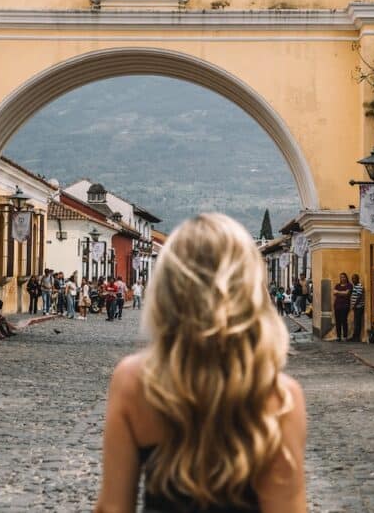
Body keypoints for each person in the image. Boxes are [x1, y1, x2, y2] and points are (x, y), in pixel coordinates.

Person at [95, 213, 307, 513]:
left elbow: (114, 507)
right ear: (248, 289)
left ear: (169, 288)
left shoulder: (134, 381)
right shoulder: (280, 397)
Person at [332, 272, 352, 342]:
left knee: (344, 320)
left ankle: (345, 336)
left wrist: (338, 292)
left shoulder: (349, 285)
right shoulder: (337, 285)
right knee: (338, 322)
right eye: (341, 277)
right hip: (337, 305)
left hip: (345, 305)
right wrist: (343, 292)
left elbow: (347, 293)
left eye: (344, 277)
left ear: (346, 277)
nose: (342, 278)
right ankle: (338, 337)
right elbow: (334, 292)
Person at [348, 274, 365, 342]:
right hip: (356, 307)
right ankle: (355, 336)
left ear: (358, 279)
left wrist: (354, 305)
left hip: (359, 307)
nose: (353, 280)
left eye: (354, 278)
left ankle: (356, 337)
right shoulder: (354, 286)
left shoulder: (359, 286)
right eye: (352, 278)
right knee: (356, 322)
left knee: (357, 322)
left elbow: (359, 296)